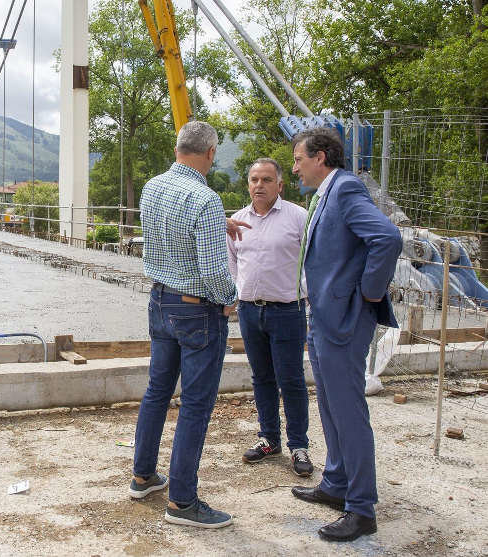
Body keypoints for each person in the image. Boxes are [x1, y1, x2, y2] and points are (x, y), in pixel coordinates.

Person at [290, 128, 401, 542]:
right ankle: (336, 483)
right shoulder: (325, 194)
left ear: (321, 157)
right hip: (321, 317)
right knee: (332, 407)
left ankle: (361, 507)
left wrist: (368, 293)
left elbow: (387, 238)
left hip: (343, 319)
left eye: (299, 158)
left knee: (348, 411)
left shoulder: (346, 188)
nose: (295, 166)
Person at [130, 120, 236, 529]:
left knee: (157, 391)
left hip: (159, 300)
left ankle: (143, 476)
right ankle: (182, 501)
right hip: (196, 310)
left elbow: (165, 234)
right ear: (210, 153)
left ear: (178, 148)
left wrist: (215, 226)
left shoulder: (153, 187)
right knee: (195, 403)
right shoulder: (206, 200)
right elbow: (213, 271)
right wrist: (231, 299)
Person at [227, 158, 314, 477]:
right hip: (251, 311)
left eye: (266, 179)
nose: (259, 185)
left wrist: (301, 290)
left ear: (280, 184)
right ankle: (268, 438)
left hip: (287, 311)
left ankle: (298, 445)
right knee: (261, 377)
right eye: (253, 179)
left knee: (291, 380)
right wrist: (237, 292)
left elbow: (312, 259)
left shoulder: (298, 218)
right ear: (247, 184)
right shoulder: (237, 220)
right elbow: (232, 261)